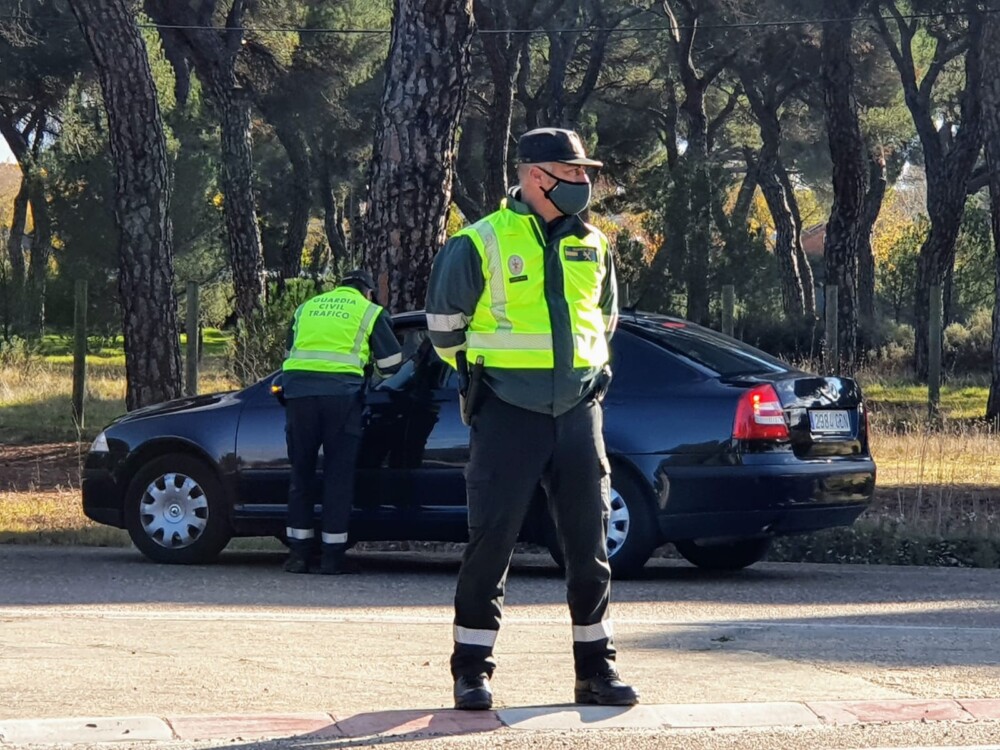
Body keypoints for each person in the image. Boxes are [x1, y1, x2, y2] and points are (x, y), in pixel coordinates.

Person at [425, 127, 638, 710]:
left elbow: (605, 322)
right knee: (491, 543)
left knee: (589, 546)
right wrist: (487, 377)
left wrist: (585, 377)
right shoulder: (479, 241)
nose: (584, 182)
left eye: (584, 173)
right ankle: (472, 672)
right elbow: (444, 330)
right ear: (535, 176)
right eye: (573, 173)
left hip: (578, 412)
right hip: (507, 413)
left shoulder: (594, 244)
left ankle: (596, 671)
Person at [280, 269, 402, 575]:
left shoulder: (307, 307)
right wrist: (370, 374)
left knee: (301, 472)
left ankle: (298, 556)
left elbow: (289, 353)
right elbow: (392, 364)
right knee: (338, 476)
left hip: (299, 396)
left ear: (340, 286)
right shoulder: (369, 311)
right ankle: (332, 558)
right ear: (369, 292)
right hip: (341, 398)